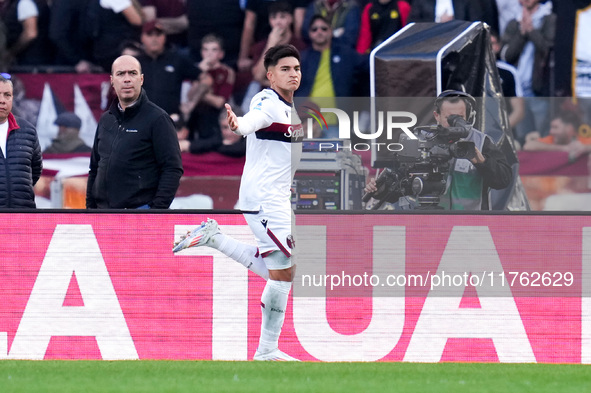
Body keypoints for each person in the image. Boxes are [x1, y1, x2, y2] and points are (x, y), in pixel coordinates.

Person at [173, 44, 303, 361]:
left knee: (284, 272)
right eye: (285, 69)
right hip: (264, 200)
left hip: (276, 199)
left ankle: (214, 237)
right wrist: (238, 125)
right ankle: (266, 351)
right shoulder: (267, 101)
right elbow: (251, 121)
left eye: (296, 68)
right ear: (270, 75)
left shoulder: (290, 109)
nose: (293, 74)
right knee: (283, 273)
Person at [365, 90, 513, 210]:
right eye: (450, 118)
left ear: (469, 117)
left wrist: (481, 161)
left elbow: (503, 180)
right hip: (427, 223)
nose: (455, 123)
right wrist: (379, 190)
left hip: (470, 226)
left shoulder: (481, 142)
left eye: (460, 117)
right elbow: (400, 188)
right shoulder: (421, 141)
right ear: (437, 116)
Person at [86, 55, 183, 209]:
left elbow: (172, 169)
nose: (127, 79)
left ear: (141, 79)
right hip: (102, 215)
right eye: (120, 74)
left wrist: (156, 212)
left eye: (132, 73)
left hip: (140, 216)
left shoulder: (158, 119)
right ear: (112, 80)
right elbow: (94, 169)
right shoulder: (106, 120)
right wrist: (90, 209)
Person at [296, 15, 368, 137]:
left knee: (336, 156)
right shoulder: (302, 58)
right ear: (309, 33)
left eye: (323, 28)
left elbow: (368, 68)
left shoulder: (347, 54)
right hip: (306, 124)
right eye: (315, 29)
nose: (319, 32)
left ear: (330, 31)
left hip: (337, 123)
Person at [183, 34, 235, 149]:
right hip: (194, 115)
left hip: (214, 116)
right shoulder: (194, 69)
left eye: (214, 50)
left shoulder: (227, 72)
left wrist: (202, 92)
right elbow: (188, 96)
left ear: (221, 54)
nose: (209, 53)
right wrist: (199, 74)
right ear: (201, 52)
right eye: (206, 49)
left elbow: (219, 102)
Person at [138, 20, 201, 115]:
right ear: (142, 38)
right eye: (150, 35)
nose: (154, 39)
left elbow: (205, 79)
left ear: (164, 37)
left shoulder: (177, 59)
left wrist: (191, 103)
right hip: (141, 118)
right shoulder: (135, 63)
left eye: (158, 35)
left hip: (170, 118)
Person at [0, 74, 42, 208]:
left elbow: (35, 171)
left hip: (23, 217)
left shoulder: (28, 130)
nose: (2, 100)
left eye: (7, 95)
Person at [523, 111, 591, 160]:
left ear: (569, 128)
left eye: (555, 127)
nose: (551, 131)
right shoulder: (552, 139)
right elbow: (528, 146)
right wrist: (563, 148)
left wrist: (585, 148)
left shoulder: (582, 141)